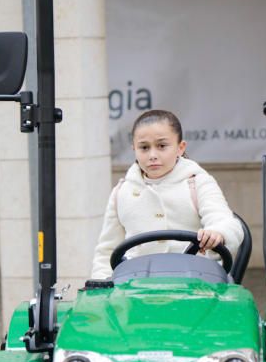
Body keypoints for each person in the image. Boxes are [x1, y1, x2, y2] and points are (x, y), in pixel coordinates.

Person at [91, 109, 244, 279]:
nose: (153, 155)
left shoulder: (198, 182)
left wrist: (217, 233)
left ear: (180, 147)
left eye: (162, 146)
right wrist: (100, 286)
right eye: (144, 147)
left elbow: (227, 223)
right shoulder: (121, 192)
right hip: (135, 287)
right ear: (134, 149)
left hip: (195, 282)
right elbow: (107, 251)